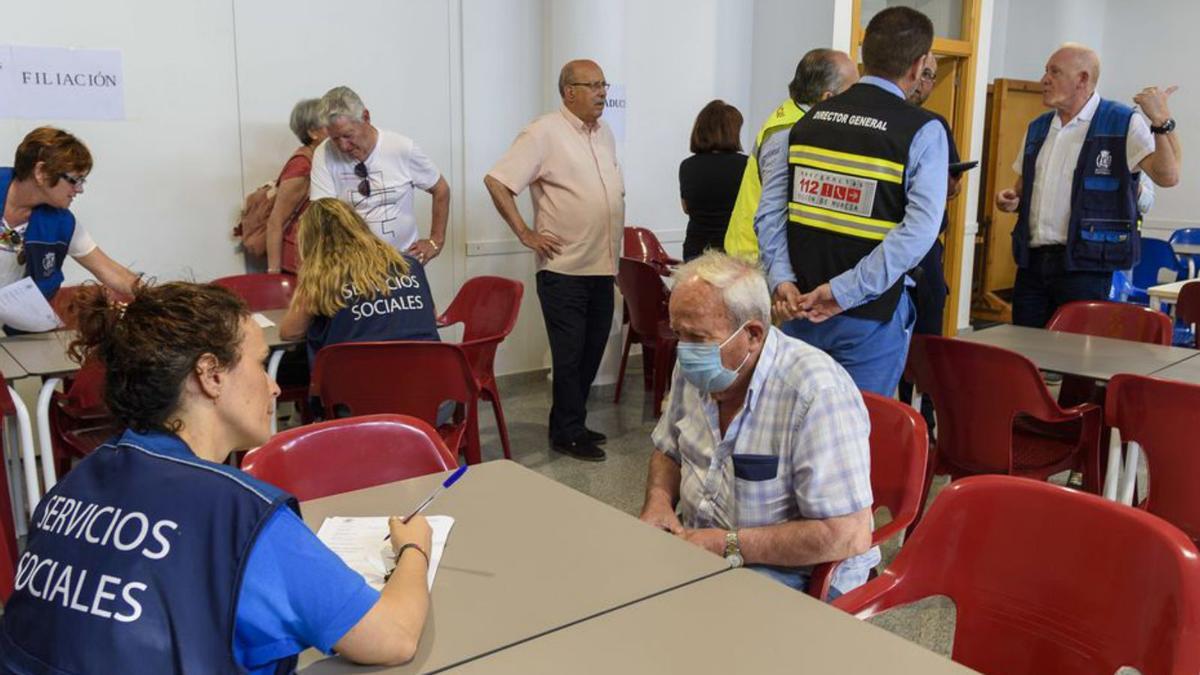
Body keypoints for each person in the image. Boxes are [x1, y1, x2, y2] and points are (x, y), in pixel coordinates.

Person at [0, 282, 432, 673]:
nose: (274, 387)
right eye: (261, 365)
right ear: (211, 375)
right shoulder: (239, 515)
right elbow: (392, 637)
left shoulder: (71, 487)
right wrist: (414, 548)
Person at [638, 252, 874, 596]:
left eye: (698, 338)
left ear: (752, 334)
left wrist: (727, 545)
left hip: (792, 572)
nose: (684, 351)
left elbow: (846, 534)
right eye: (678, 333)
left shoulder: (816, 392)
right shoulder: (695, 368)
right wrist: (658, 502)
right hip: (702, 550)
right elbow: (668, 451)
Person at [756, 7, 948, 396]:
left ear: (864, 54)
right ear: (917, 66)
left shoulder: (800, 124)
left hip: (799, 309)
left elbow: (769, 216)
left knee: (794, 433)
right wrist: (844, 292)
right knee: (861, 438)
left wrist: (783, 282)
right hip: (869, 320)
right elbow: (919, 232)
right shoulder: (923, 131)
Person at [484, 59, 624, 462]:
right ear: (569, 92)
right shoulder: (543, 132)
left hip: (602, 266)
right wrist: (525, 233)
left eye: (604, 84)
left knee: (593, 349)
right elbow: (497, 180)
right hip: (564, 268)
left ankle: (571, 422)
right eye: (593, 85)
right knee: (569, 355)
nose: (602, 93)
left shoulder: (604, 134)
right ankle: (566, 431)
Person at [995, 44, 1182, 328]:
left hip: (1087, 265)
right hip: (1032, 263)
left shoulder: (1121, 121)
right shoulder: (1038, 127)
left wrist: (1160, 121)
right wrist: (1012, 199)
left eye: (1054, 72)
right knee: (1026, 350)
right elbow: (1022, 188)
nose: (1044, 79)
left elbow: (1167, 176)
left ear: (1082, 79)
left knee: (1076, 358)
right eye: (1046, 71)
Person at [724, 48, 859, 260]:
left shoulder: (796, 119)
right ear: (827, 98)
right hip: (754, 260)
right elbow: (771, 213)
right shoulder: (788, 133)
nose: (859, 99)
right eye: (854, 91)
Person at [279, 198, 439, 365]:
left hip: (356, 384)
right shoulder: (408, 264)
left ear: (311, 240)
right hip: (426, 379)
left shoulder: (321, 276)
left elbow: (290, 332)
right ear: (359, 226)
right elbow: (432, 316)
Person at [0, 127, 139, 316]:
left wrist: (161, 300)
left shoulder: (61, 223)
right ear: (41, 172)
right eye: (75, 180)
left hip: (13, 328)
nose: (80, 189)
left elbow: (110, 271)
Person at [897, 54, 964, 432]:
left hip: (926, 252)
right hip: (895, 249)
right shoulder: (892, 124)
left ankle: (925, 413)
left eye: (933, 78)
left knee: (927, 334)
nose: (926, 84)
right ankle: (904, 412)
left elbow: (951, 186)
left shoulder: (935, 126)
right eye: (923, 75)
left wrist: (946, 183)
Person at [310, 86, 450, 265]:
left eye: (348, 135)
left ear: (366, 117)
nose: (343, 146)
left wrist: (435, 242)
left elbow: (441, 189)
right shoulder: (324, 154)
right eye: (335, 139)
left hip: (403, 263)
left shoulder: (401, 148)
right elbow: (321, 214)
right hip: (352, 266)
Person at [265, 98, 328, 275]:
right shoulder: (303, 165)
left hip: (315, 258)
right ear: (313, 132)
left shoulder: (321, 159)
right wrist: (273, 273)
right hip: (299, 263)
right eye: (329, 123)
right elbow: (275, 222)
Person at [679, 100, 747, 260]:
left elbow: (686, 207)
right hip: (733, 254)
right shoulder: (746, 165)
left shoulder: (687, 166)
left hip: (695, 253)